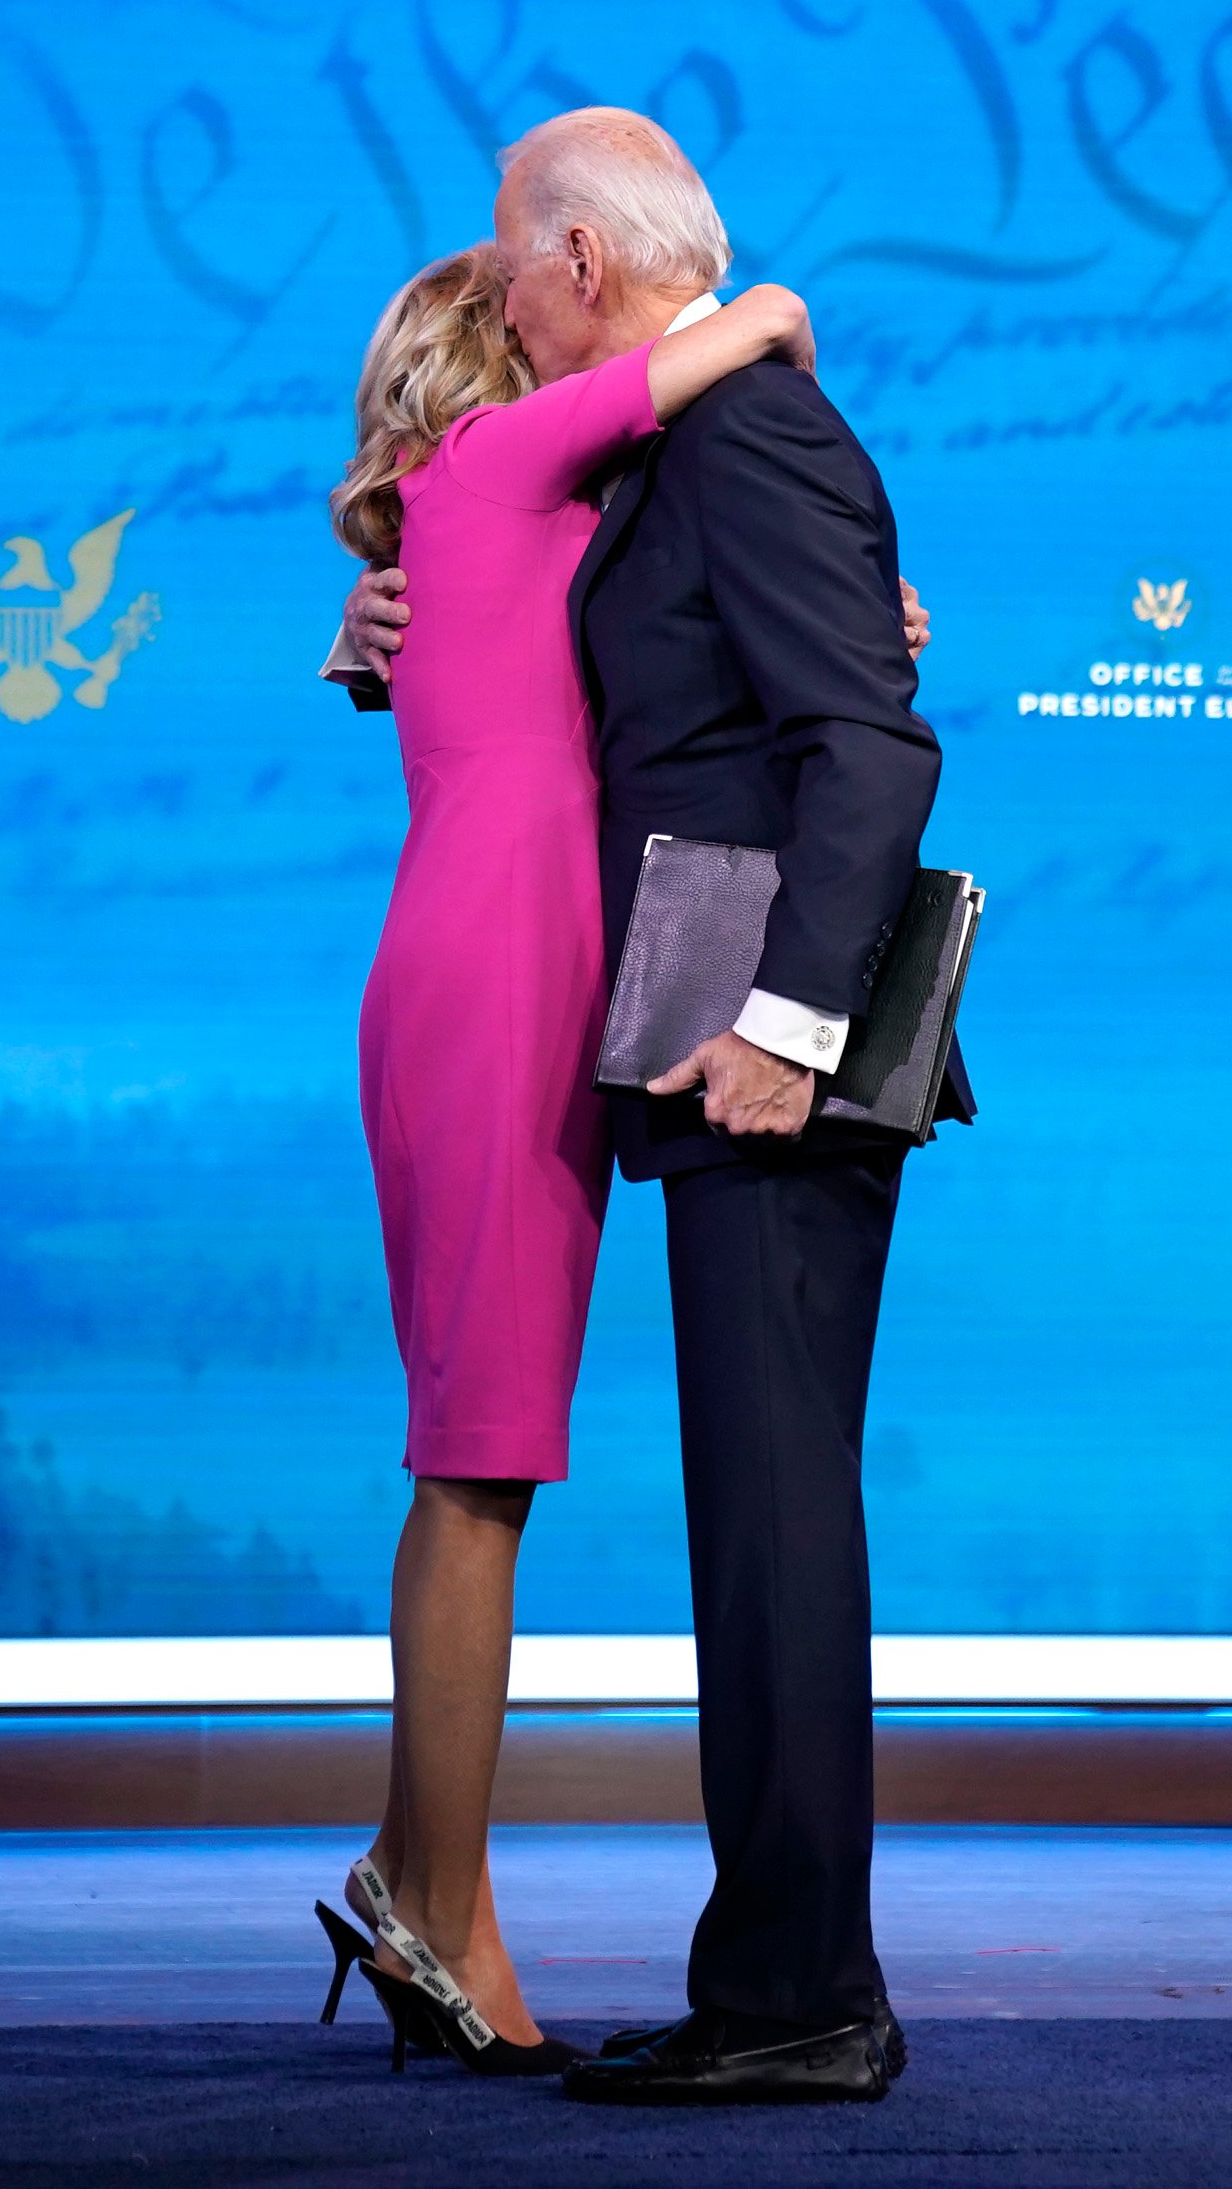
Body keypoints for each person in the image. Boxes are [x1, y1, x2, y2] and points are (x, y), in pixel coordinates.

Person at [330, 107, 965, 2106]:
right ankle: (775, 1976)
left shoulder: (745, 423)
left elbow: (865, 745)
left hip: (769, 1039)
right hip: (694, 1029)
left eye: (514, 262)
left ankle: (798, 1994)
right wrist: (378, 643)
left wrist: (785, 1020)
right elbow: (574, 679)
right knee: (753, 1513)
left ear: (585, 263)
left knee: (776, 1510)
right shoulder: (657, 454)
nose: (501, 305)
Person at [311, 240, 827, 2076]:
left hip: (518, 986)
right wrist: (762, 316)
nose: (566, 327)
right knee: (479, 1459)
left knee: (485, 1460)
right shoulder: (497, 472)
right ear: (494, 366)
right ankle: (415, 1892)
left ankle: (435, 1895)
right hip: (497, 1001)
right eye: (532, 318)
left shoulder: (513, 531)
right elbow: (646, 387)